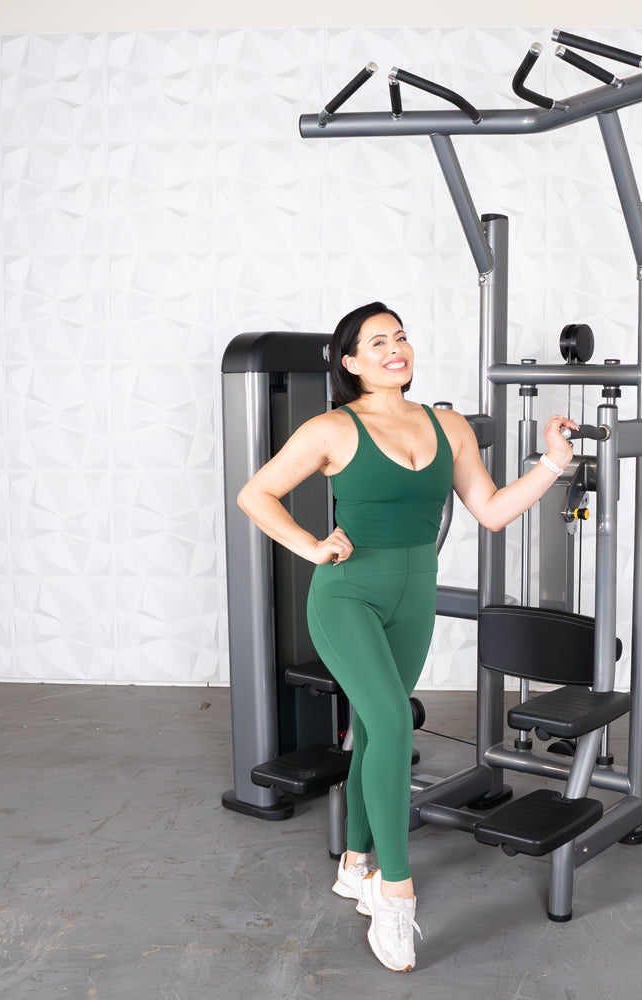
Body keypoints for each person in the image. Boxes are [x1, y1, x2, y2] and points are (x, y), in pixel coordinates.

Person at [236, 301, 576, 972]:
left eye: (401, 337)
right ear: (351, 363)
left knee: (372, 729)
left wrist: (553, 463)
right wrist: (310, 545)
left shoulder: (448, 427)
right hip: (347, 596)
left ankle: (354, 862)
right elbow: (257, 494)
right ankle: (396, 895)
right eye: (377, 342)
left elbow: (491, 511)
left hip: (412, 597)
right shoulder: (332, 429)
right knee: (392, 725)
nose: (396, 348)